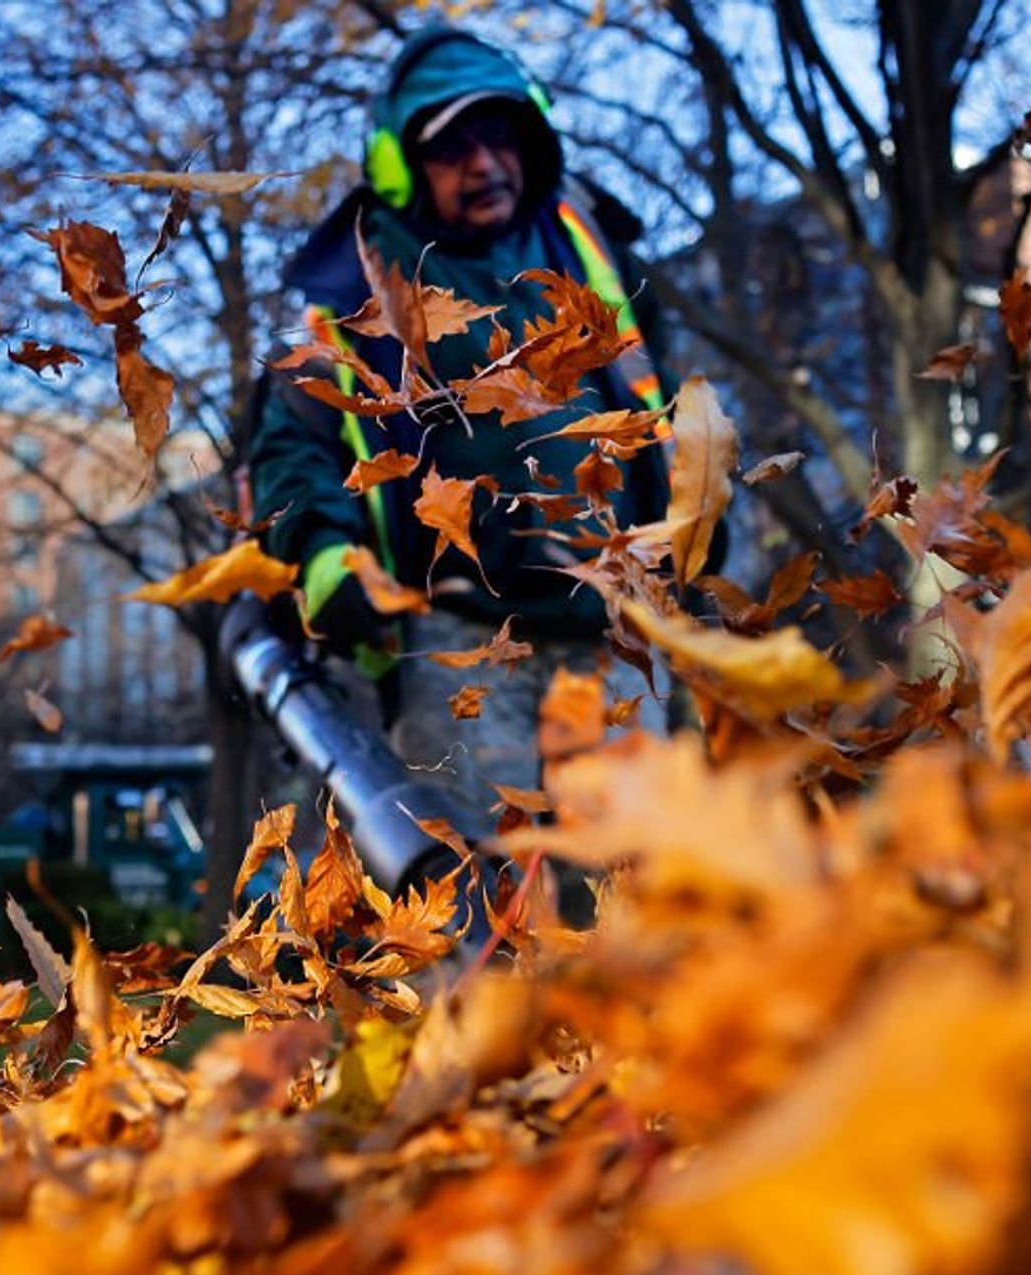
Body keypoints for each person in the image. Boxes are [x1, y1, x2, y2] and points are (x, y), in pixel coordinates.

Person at [248, 26, 704, 838]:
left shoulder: (588, 246)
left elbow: (659, 400)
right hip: (461, 645)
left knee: (637, 901)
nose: (485, 162)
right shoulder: (355, 290)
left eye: (500, 136)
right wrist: (329, 561)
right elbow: (293, 452)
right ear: (398, 165)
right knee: (477, 903)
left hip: (616, 631)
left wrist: (701, 511)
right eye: (453, 148)